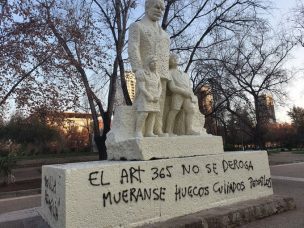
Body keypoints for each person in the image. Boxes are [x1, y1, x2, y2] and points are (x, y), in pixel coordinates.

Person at [128, 0, 170, 137]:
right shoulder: (137, 26)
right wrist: (137, 68)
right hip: (145, 71)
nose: (160, 10)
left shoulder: (165, 34)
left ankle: (157, 129)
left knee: (160, 102)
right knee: (144, 104)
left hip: (162, 72)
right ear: (147, 7)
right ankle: (139, 131)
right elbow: (133, 47)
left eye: (162, 8)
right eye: (156, 7)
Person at [165, 54, 200, 136]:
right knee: (174, 110)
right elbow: (172, 87)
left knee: (191, 110)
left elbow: (189, 87)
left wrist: (192, 95)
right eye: (172, 59)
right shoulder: (169, 73)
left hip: (188, 95)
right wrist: (183, 92)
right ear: (169, 62)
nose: (174, 59)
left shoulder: (185, 74)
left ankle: (189, 130)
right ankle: (168, 130)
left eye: (176, 58)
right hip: (177, 94)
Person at [134, 56, 162, 138]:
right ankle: (138, 131)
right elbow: (141, 87)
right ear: (148, 63)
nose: (155, 64)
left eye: (156, 62)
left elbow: (160, 87)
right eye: (153, 62)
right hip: (145, 97)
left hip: (155, 97)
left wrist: (158, 95)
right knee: (144, 113)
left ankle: (149, 132)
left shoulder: (157, 75)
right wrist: (148, 95)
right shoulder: (142, 73)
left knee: (153, 114)